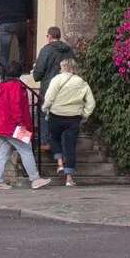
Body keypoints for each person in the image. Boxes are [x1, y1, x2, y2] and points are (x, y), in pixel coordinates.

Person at [0, 61, 51, 190]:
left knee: (3, 153)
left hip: (2, 124)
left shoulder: (2, 86)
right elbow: (16, 107)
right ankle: (35, 179)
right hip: (14, 125)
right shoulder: (16, 87)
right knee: (26, 150)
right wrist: (21, 124)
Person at [41, 57, 95, 187]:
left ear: (64, 67)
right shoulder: (82, 82)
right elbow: (91, 102)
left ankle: (60, 163)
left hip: (56, 114)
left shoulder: (57, 79)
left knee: (54, 138)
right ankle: (69, 179)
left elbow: (49, 96)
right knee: (70, 147)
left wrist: (45, 107)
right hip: (74, 117)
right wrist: (85, 113)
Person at [33, 27, 75, 171]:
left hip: (49, 87)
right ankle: (63, 150)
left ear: (49, 36)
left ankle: (45, 141)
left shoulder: (47, 50)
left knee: (44, 113)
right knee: (63, 117)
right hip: (67, 89)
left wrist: (37, 76)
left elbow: (39, 71)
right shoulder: (69, 50)